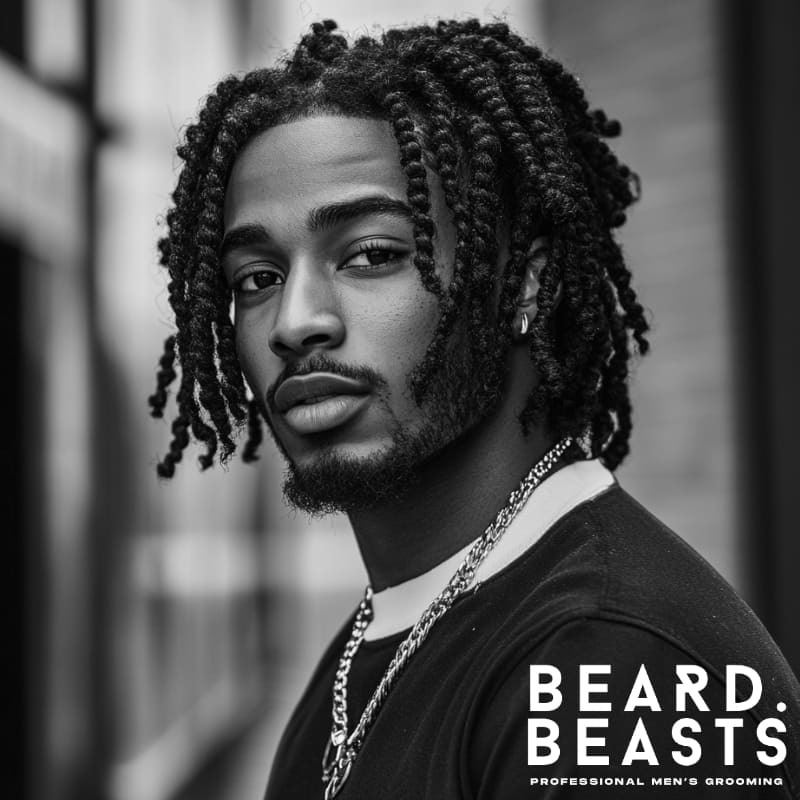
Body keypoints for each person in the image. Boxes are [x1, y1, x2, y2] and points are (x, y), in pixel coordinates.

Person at [149, 19, 800, 799]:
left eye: (372, 255)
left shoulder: (616, 671)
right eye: (256, 277)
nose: (294, 322)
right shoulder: (377, 642)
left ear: (523, 285)